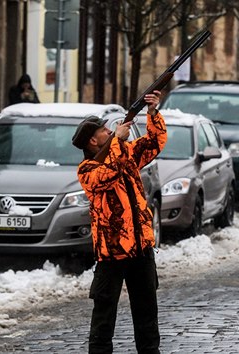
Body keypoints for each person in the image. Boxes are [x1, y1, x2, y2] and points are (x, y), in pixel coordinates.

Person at [72, 90, 166, 353]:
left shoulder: (122, 153)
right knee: (103, 318)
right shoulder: (87, 170)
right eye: (103, 130)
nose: (108, 130)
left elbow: (154, 144)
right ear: (93, 140)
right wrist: (117, 140)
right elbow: (109, 174)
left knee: (147, 316)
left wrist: (153, 113)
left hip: (140, 248)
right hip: (112, 253)